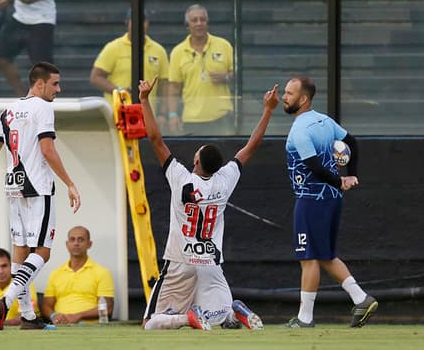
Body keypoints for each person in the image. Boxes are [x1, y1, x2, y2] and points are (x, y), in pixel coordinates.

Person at [138, 76, 277, 330]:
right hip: (211, 263)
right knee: (219, 316)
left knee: (150, 323)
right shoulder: (224, 181)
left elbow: (156, 140)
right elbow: (252, 146)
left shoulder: (181, 179)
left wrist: (144, 100)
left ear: (196, 161)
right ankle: (234, 314)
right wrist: (268, 110)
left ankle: (186, 319)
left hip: (180, 261)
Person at [0, 61, 81, 331]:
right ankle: (6, 300)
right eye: (55, 84)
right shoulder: (43, 108)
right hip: (38, 187)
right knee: (43, 252)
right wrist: (70, 183)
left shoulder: (7, 111)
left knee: (21, 253)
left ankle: (27, 317)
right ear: (39, 83)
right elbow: (48, 150)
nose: (58, 89)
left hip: (13, 188)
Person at [281, 77, 378, 328]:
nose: (284, 97)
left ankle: (305, 318)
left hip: (311, 199)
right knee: (325, 255)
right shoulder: (325, 121)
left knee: (309, 257)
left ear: (303, 99)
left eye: (290, 93)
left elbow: (313, 166)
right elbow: (352, 142)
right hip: (332, 200)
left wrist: (341, 181)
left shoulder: (300, 130)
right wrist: (350, 175)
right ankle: (361, 298)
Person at [90, 9, 169, 127]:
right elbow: (95, 78)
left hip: (148, 116)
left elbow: (164, 85)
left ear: (148, 23)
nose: (139, 24)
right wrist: (119, 90)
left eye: (143, 21)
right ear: (127, 22)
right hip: (118, 117)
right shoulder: (113, 48)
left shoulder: (158, 50)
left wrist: (163, 114)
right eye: (134, 20)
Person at [168, 4, 234, 136]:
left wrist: (225, 77)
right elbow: (174, 88)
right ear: (187, 25)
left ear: (207, 23)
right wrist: (173, 114)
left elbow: (236, 75)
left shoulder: (224, 45)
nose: (199, 23)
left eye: (202, 19)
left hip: (221, 117)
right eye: (194, 20)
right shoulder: (178, 52)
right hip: (192, 120)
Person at [41, 226, 114, 325]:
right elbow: (46, 305)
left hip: (90, 327)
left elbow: (107, 308)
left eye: (81, 239)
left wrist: (79, 315)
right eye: (72, 239)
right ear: (67, 244)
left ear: (89, 244)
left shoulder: (102, 272)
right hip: (60, 326)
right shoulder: (56, 273)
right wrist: (54, 316)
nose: (76, 243)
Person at [0, 0, 57, 96]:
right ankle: (22, 96)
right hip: (19, 18)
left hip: (42, 19)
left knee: (43, 67)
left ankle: (46, 100)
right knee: (1, 56)